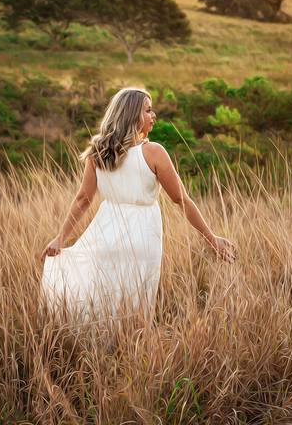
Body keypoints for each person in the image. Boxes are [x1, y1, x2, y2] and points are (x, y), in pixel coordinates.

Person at [40, 87, 235, 321]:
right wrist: (212, 239)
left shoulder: (99, 152)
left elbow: (83, 199)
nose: (153, 116)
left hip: (104, 235)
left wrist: (61, 237)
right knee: (136, 308)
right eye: (148, 110)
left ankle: (96, 350)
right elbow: (181, 200)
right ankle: (128, 351)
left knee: (102, 298)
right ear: (133, 115)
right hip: (142, 237)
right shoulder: (154, 152)